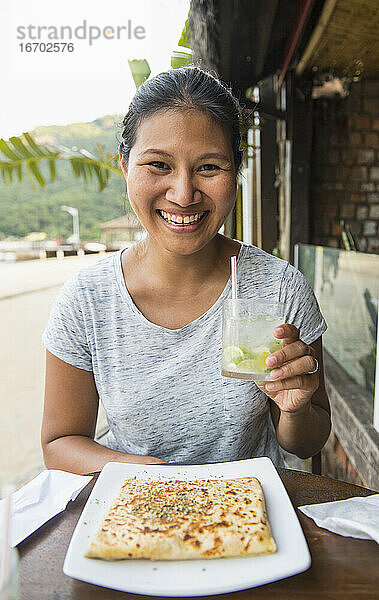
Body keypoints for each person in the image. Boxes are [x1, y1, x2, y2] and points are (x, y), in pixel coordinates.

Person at [41, 66, 331, 474]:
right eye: (158, 165)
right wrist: (157, 478)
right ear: (124, 164)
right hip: (135, 516)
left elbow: (309, 440)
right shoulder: (87, 300)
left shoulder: (279, 287)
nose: (183, 193)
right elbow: (60, 443)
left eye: (209, 167)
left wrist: (296, 408)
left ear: (236, 170)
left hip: (250, 519)